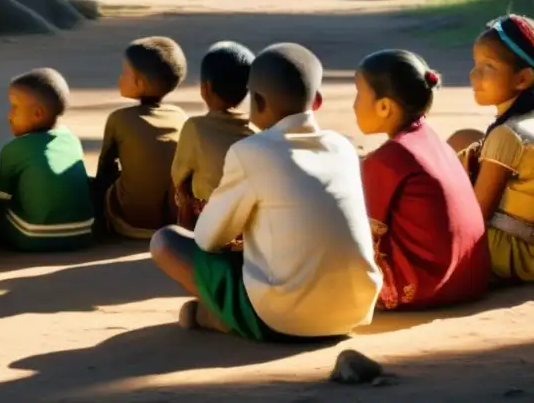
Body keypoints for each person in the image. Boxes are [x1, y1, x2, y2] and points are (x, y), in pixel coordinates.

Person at [150, 43, 380, 341]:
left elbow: (208, 239)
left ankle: (222, 317)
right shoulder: (343, 146)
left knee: (166, 242)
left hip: (282, 317)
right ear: (317, 100)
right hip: (354, 310)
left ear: (257, 101)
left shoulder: (250, 152)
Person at [354, 50, 489, 310]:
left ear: (384, 107)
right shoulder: (435, 141)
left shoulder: (388, 158)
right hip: (468, 281)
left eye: (359, 94)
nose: (354, 104)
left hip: (422, 289)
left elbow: (361, 230)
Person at [456, 15, 534, 282]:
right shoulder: (526, 122)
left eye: (488, 66)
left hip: (520, 253)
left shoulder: (509, 134)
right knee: (462, 139)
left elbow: (477, 218)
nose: (473, 74)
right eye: (476, 64)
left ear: (522, 78)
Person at [0, 68, 96, 252]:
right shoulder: (72, 140)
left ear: (38, 113)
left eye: (14, 107)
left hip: (34, 235)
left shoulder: (14, 148)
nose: (9, 115)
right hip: (83, 232)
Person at [92, 37, 188, 239]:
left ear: (139, 83)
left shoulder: (119, 118)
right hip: (174, 219)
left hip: (129, 222)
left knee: (91, 184)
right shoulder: (180, 116)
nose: (120, 78)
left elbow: (105, 167)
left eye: (124, 73)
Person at [171, 42, 256, 230]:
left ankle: (188, 242)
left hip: (214, 229)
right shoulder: (255, 128)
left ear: (206, 87)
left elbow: (178, 177)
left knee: (183, 190)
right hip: (250, 227)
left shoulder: (195, 127)